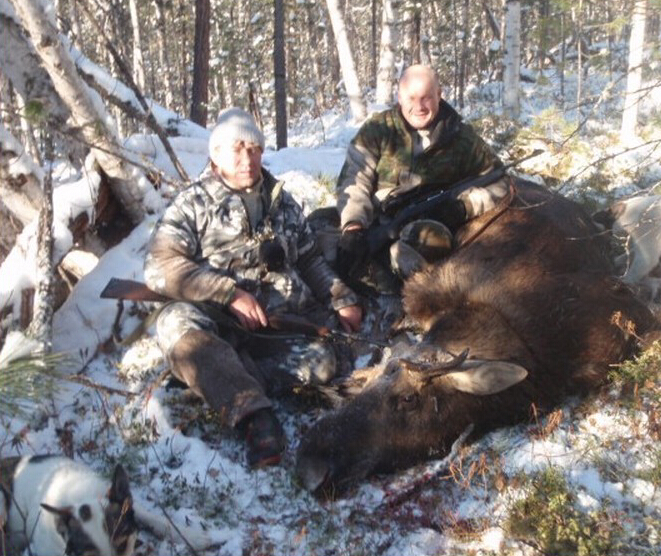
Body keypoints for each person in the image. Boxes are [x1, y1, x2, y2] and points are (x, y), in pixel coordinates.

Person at [144, 107, 363, 468]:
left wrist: (342, 298)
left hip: (279, 325)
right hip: (218, 321)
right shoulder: (192, 204)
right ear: (215, 154)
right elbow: (160, 266)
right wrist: (228, 294)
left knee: (324, 363)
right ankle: (254, 415)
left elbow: (309, 259)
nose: (248, 158)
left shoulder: (282, 201)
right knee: (175, 325)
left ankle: (216, 372)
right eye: (237, 148)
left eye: (255, 148)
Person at [336, 64, 509, 283]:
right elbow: (354, 179)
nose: (418, 106)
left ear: (439, 95)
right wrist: (353, 227)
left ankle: (411, 299)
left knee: (426, 240)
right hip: (375, 217)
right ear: (399, 96)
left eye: (426, 97)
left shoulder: (461, 137)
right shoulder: (378, 129)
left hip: (428, 229)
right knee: (319, 232)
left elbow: (500, 181)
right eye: (411, 98)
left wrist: (462, 207)